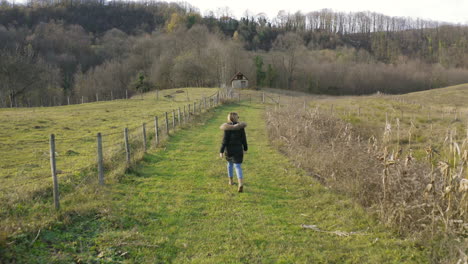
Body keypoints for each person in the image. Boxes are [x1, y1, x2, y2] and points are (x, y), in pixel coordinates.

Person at [219, 112, 248, 192]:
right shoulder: (241, 127)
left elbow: (224, 140)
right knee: (238, 166)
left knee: (229, 165)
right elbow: (244, 139)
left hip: (229, 150)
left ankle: (231, 181)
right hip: (238, 150)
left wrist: (221, 151)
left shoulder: (227, 128)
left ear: (229, 118)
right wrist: (245, 148)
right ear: (236, 118)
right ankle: (240, 183)